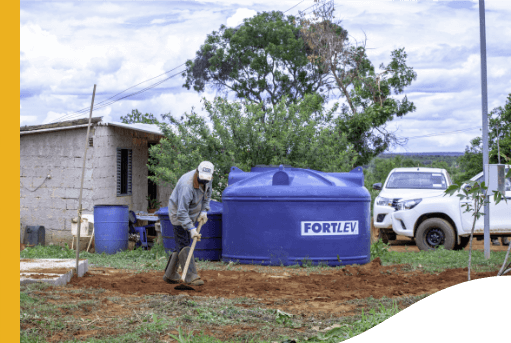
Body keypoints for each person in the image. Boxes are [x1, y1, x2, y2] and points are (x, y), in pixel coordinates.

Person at [163, 161, 214, 286]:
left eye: (207, 180)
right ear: (197, 172)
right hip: (178, 214)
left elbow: (207, 195)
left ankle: (170, 274)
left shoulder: (207, 178)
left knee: (181, 243)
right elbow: (181, 212)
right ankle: (191, 276)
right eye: (202, 179)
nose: (205, 182)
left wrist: (204, 211)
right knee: (184, 242)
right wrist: (191, 229)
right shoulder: (187, 185)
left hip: (192, 213)